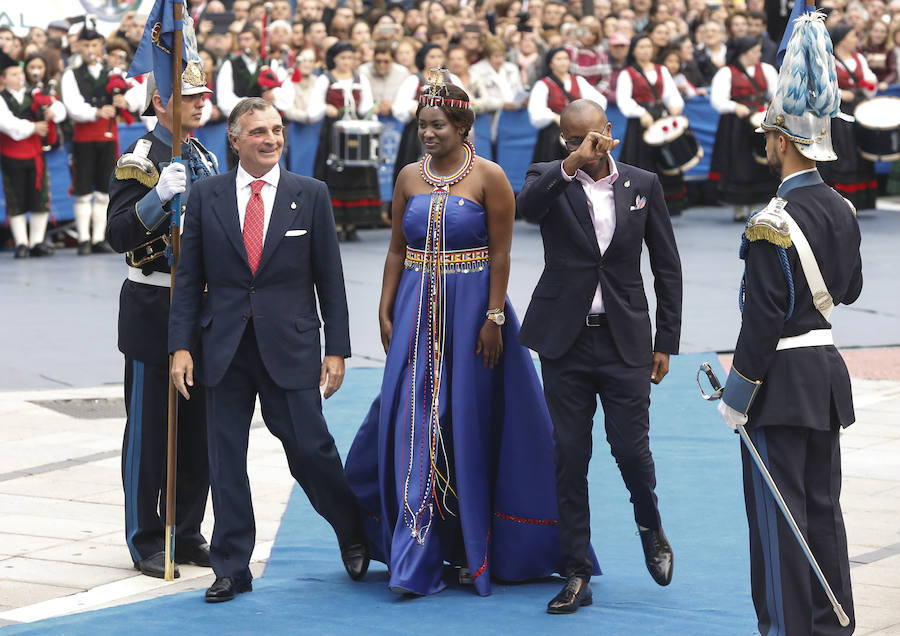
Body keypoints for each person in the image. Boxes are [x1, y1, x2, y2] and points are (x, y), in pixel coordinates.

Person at [343, 76, 599, 598]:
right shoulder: (408, 177)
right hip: (416, 312)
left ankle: (468, 546)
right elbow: (396, 248)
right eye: (422, 126)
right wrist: (385, 306)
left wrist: (494, 318)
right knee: (410, 421)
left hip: (475, 315)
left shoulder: (490, 177)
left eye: (438, 125)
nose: (427, 134)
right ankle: (415, 549)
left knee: (467, 424)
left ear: (462, 127)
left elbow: (502, 255)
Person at [169, 97, 368, 603]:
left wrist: (337, 347)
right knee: (225, 459)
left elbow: (331, 278)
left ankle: (354, 532)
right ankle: (232, 566)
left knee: (312, 451)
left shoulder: (311, 193)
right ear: (234, 140)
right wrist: (180, 347)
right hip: (223, 348)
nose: (272, 139)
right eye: (258, 131)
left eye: (277, 130)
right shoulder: (207, 195)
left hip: (292, 346)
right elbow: (189, 279)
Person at [718, 11, 860, 635]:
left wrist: (737, 395)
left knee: (781, 521)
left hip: (779, 383)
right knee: (825, 511)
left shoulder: (770, 220)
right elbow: (848, 291)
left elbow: (763, 320)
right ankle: (833, 624)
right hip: (826, 373)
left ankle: (787, 629)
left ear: (779, 141)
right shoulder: (844, 208)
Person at [516, 98, 683, 614]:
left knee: (631, 449)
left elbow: (667, 267)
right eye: (570, 141)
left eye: (589, 139)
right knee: (569, 457)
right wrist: (568, 164)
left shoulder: (643, 183)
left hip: (625, 339)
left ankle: (649, 524)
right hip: (564, 341)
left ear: (610, 132)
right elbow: (526, 208)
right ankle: (576, 572)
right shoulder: (549, 176)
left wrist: (666, 340)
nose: (582, 149)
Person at [105, 69, 218, 579]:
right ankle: (146, 537)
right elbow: (118, 235)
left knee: (197, 431)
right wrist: (156, 200)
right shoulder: (142, 159)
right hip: (155, 306)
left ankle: (187, 529)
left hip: (200, 309)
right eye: (187, 95)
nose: (198, 104)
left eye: (202, 96)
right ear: (159, 100)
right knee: (150, 431)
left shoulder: (205, 157)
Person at [309, 41, 381, 241]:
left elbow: (366, 107)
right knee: (334, 174)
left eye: (350, 57)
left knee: (356, 174)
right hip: (333, 134)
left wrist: (372, 116)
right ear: (334, 59)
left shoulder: (361, 78)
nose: (346, 62)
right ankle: (337, 223)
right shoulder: (325, 79)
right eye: (342, 58)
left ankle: (352, 223)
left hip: (355, 132)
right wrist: (326, 108)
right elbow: (312, 111)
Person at [60, 24, 121, 255]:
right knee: (83, 188)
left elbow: (132, 93)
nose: (90, 49)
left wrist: (125, 102)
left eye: (94, 44)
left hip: (107, 138)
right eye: (86, 45)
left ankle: (98, 238)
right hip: (84, 139)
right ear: (78, 47)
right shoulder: (71, 74)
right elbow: (73, 107)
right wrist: (96, 112)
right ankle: (83, 238)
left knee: (104, 190)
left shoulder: (113, 72)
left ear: (101, 46)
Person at [0, 52, 66, 258]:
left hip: (36, 155)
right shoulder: (2, 99)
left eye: (20, 73)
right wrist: (34, 127)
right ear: (3, 78)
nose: (20, 77)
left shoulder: (35, 94)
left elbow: (58, 105)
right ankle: (21, 242)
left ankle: (37, 242)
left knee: (40, 198)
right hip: (11, 156)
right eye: (13, 74)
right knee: (16, 200)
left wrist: (54, 112)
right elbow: (7, 125)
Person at [708, 36, 778, 221]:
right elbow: (717, 100)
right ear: (744, 53)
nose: (759, 54)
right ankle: (738, 207)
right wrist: (734, 107)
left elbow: (776, 93)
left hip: (759, 120)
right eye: (755, 51)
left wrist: (771, 105)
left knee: (759, 162)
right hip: (736, 125)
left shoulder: (767, 70)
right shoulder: (726, 73)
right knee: (739, 163)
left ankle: (756, 204)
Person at [616, 33, 687, 215]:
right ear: (634, 50)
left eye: (648, 46)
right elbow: (624, 100)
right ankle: (641, 204)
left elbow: (671, 94)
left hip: (660, 118)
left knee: (665, 160)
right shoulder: (627, 73)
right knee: (641, 163)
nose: (645, 50)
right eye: (641, 47)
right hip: (640, 123)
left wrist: (676, 106)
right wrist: (641, 113)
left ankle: (666, 203)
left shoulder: (661, 70)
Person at [819, 23, 879, 211]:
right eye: (853, 36)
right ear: (843, 40)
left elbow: (870, 81)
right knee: (843, 154)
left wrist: (868, 85)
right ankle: (839, 200)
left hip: (857, 110)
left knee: (858, 153)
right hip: (838, 113)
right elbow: (822, 84)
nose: (856, 40)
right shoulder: (828, 60)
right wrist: (840, 93)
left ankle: (858, 201)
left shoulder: (859, 58)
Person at [527, 47, 606, 165]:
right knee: (553, 168)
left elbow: (599, 101)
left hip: (578, 133)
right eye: (559, 59)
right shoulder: (543, 84)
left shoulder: (578, 80)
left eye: (565, 58)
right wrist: (554, 117)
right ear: (551, 63)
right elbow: (536, 113)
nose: (563, 62)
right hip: (552, 136)